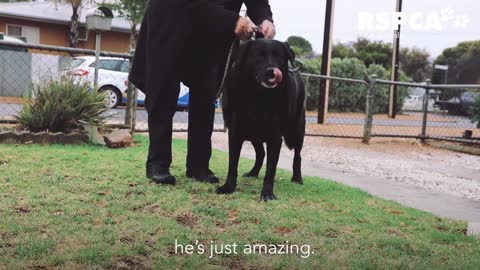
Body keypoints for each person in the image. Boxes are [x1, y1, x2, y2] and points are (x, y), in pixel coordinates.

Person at [129, 0, 275, 185]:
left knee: (205, 96)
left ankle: (198, 166)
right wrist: (233, 20)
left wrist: (265, 19)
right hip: (171, 22)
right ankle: (158, 163)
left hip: (210, 34)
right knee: (163, 94)